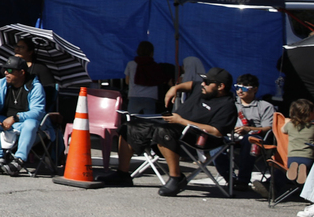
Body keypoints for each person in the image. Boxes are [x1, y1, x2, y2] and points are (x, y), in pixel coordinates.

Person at [98, 67, 239, 194]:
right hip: (172, 127)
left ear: (220, 86)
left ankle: (176, 177)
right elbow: (191, 84)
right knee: (129, 127)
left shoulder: (227, 106)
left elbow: (216, 131)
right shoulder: (201, 89)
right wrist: (175, 88)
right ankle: (123, 174)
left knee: (163, 131)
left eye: (207, 82)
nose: (203, 84)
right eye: (203, 81)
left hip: (195, 139)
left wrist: (182, 121)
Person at [0, 57, 47, 176]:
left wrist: (15, 118)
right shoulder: (1, 83)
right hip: (4, 122)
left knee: (31, 124)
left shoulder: (35, 87)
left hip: (24, 124)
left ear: (22, 72)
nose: (6, 73)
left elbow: (38, 112)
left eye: (10, 70)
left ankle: (19, 160)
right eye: (5, 69)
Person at [282, 100, 314, 217]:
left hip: (292, 157)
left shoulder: (290, 125)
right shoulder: (312, 127)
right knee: (307, 166)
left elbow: (282, 130)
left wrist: (288, 121)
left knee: (294, 164)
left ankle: (294, 168)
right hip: (308, 157)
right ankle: (302, 169)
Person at [123, 41, 171, 116]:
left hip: (134, 95)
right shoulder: (155, 65)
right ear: (151, 52)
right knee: (149, 120)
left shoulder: (131, 64)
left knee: (132, 119)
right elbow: (160, 79)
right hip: (150, 96)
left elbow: (127, 81)